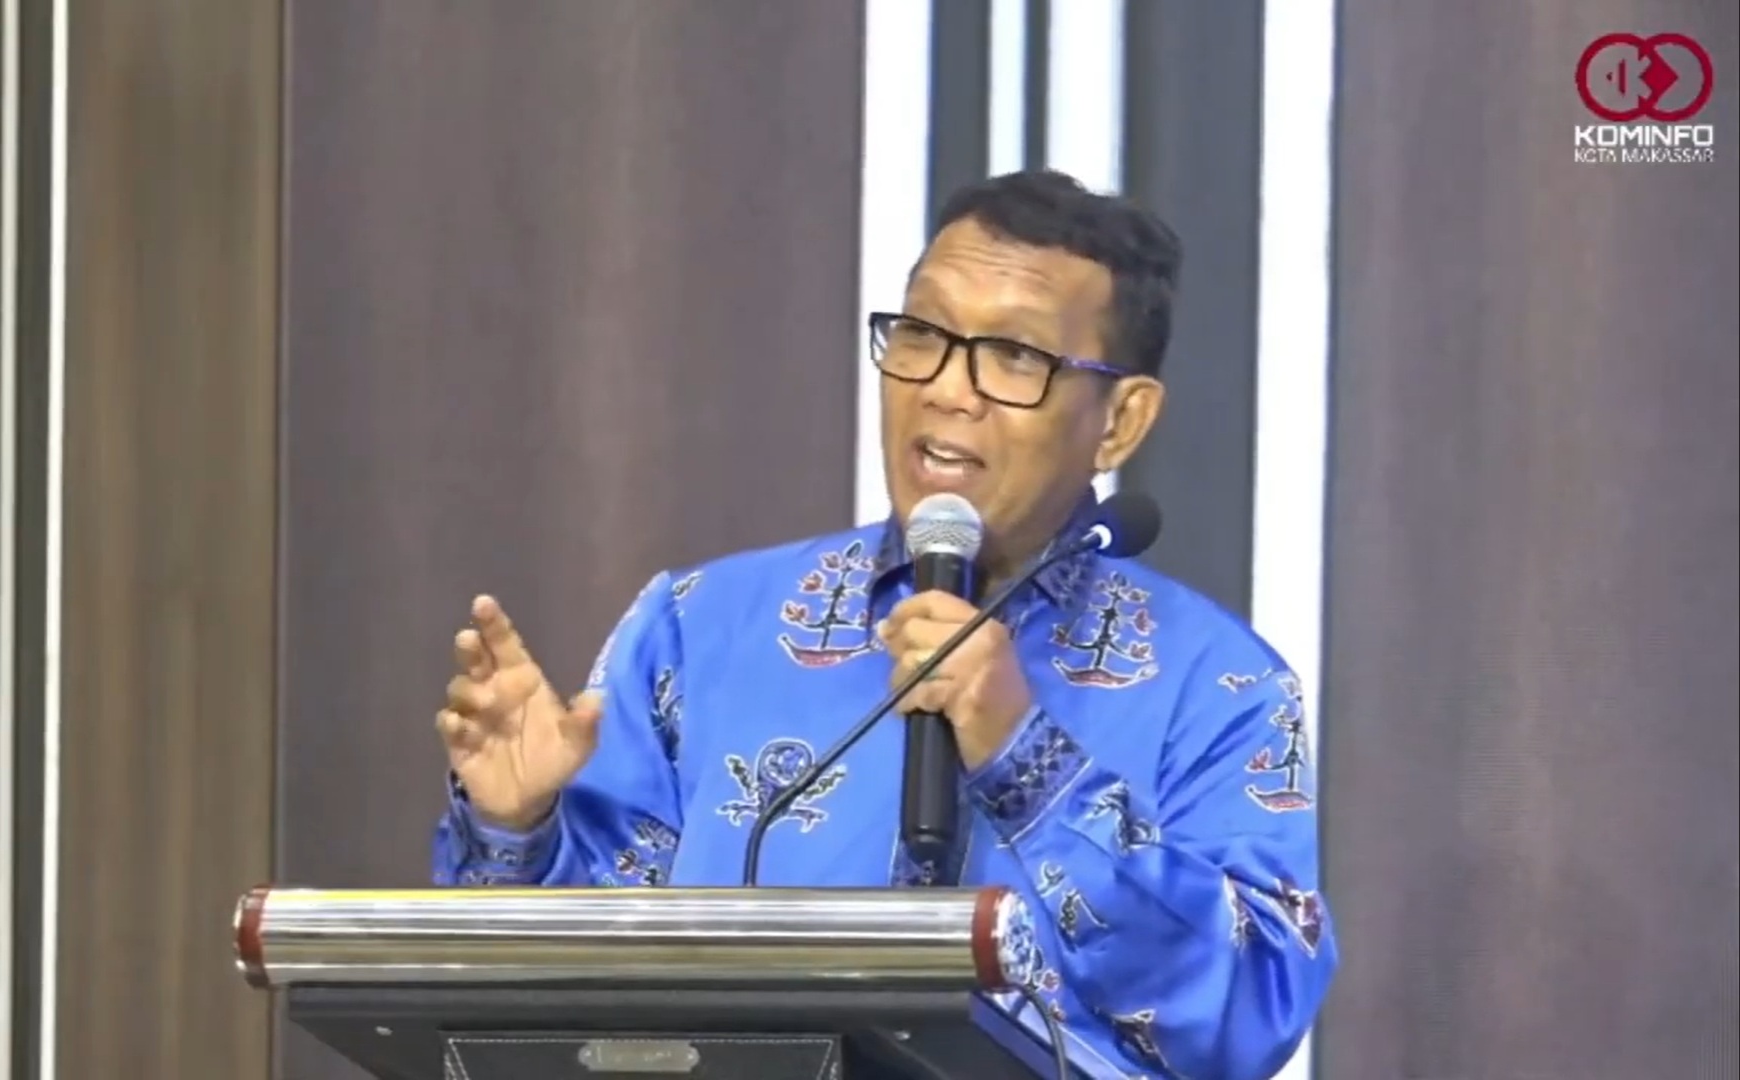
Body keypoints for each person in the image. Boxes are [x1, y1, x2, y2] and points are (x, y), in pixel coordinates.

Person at [431, 169, 1337, 1080]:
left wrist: (1026, 758)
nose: (947, 389)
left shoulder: (1220, 688)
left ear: (1120, 423)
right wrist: (518, 830)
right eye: (923, 333)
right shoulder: (698, 629)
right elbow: (584, 1008)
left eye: (1013, 356)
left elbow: (1247, 1012)